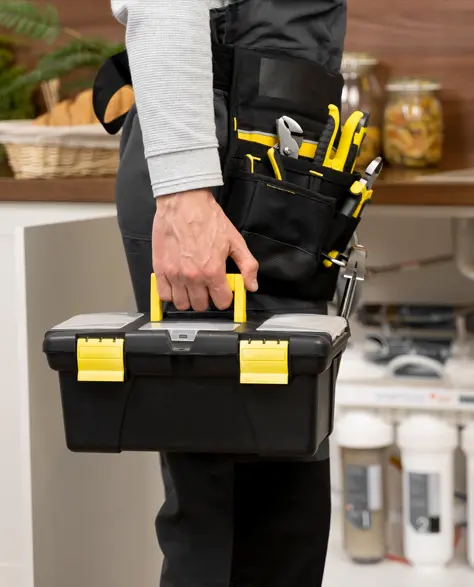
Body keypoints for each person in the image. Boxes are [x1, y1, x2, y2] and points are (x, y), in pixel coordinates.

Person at [110, 1, 347, 586]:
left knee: (283, 511)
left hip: (274, 153)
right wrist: (185, 192)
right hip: (225, 171)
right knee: (236, 528)